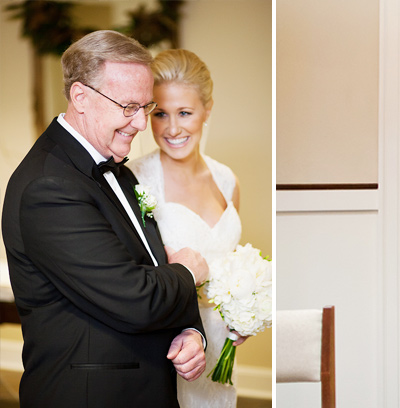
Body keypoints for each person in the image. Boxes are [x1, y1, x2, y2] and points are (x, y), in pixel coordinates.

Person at [1, 30, 208, 408]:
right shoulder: (49, 187)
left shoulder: (118, 169)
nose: (142, 124)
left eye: (144, 107)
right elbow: (136, 298)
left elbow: (154, 262)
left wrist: (191, 330)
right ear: (80, 97)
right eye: (128, 106)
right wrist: (189, 272)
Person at [128, 49, 246, 407]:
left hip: (220, 344)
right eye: (160, 114)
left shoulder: (227, 180)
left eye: (184, 113)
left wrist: (244, 313)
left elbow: (234, 267)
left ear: (207, 111)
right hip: (168, 347)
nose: (172, 128)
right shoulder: (135, 180)